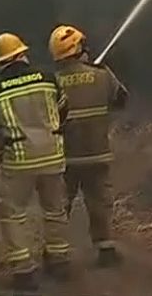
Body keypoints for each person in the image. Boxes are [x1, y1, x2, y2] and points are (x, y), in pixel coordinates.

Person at [0, 33, 71, 291]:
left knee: (11, 212)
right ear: (21, 54)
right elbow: (63, 109)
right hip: (52, 156)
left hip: (20, 161)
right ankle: (59, 261)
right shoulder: (48, 78)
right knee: (55, 209)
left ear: (1, 62)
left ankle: (24, 270)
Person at [48, 24, 129, 267]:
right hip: (96, 154)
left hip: (64, 158)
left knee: (59, 206)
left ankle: (55, 254)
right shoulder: (102, 75)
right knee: (99, 202)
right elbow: (121, 100)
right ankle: (105, 250)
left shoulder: (51, 81)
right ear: (78, 48)